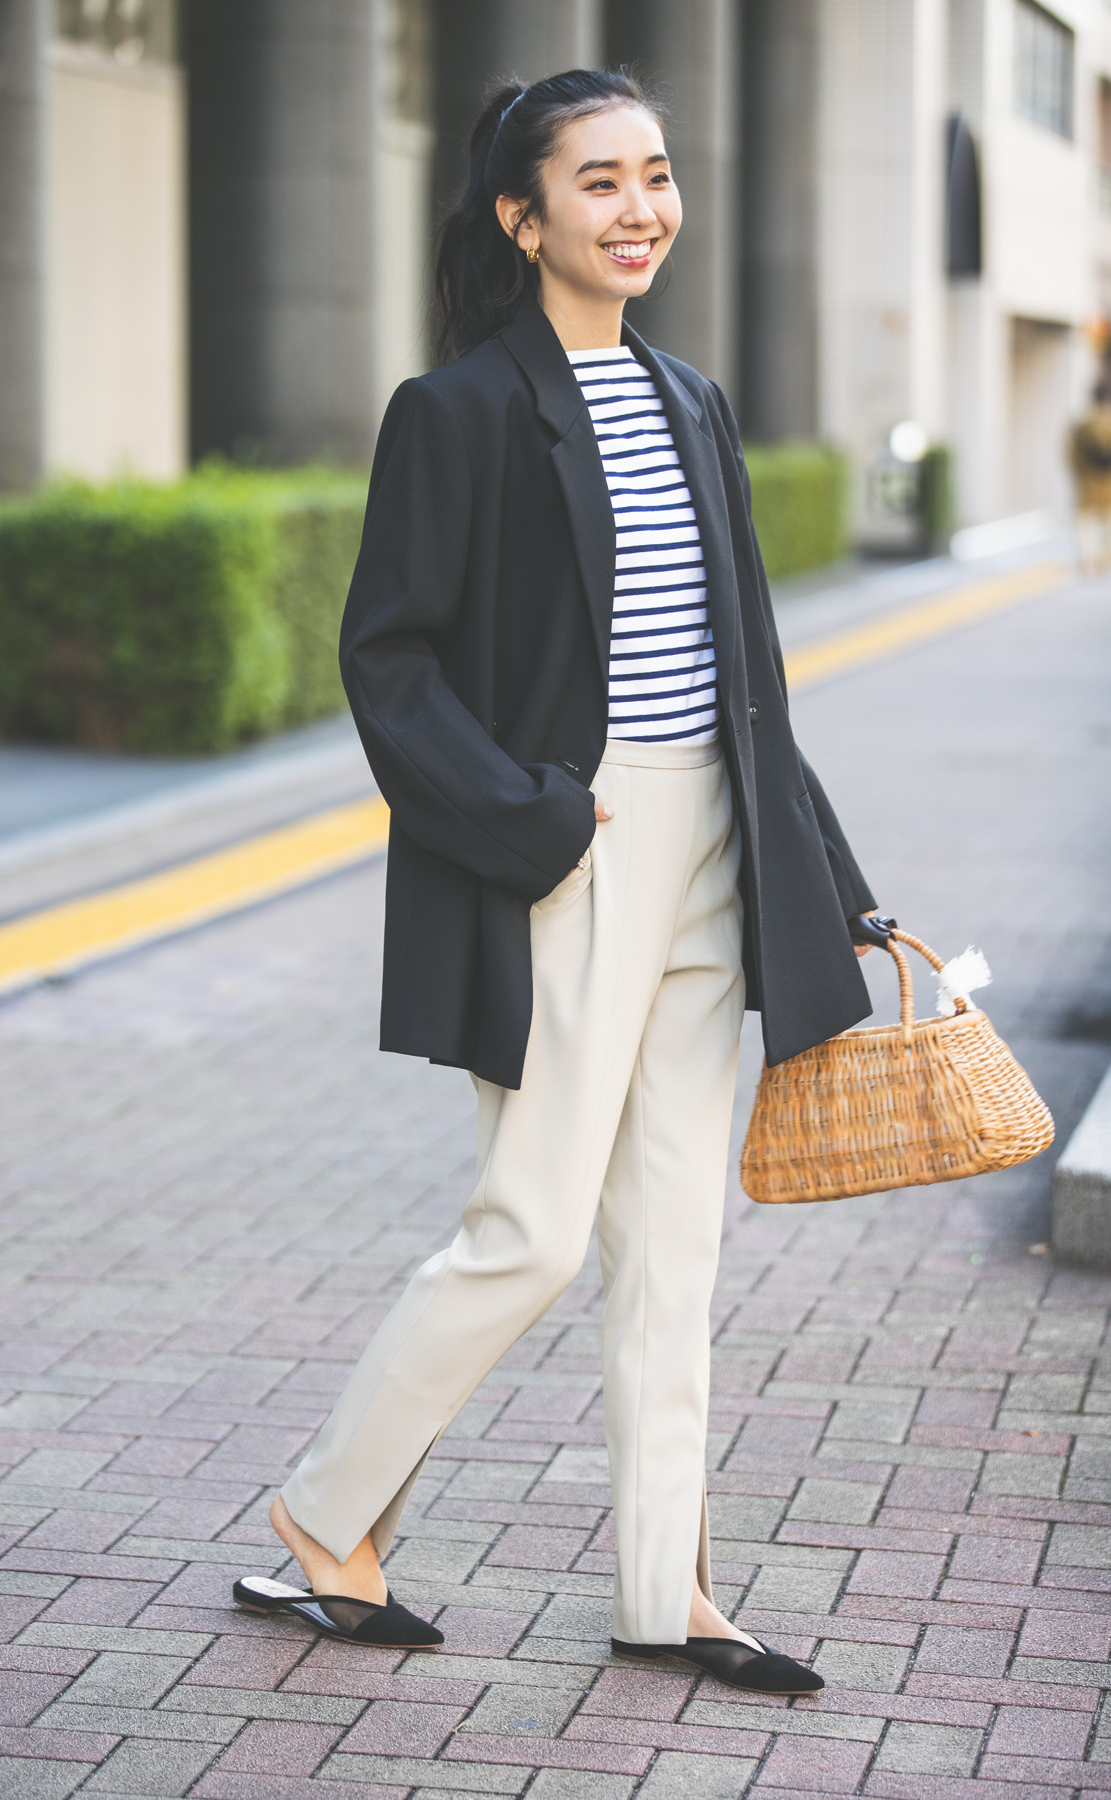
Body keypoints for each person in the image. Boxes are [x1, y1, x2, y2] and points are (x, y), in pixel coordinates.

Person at [233, 67, 882, 1694]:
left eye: (655, 174)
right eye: (600, 182)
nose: (641, 207)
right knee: (529, 1232)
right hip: (572, 849)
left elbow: (750, 674)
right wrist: (531, 816)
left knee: (674, 1245)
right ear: (522, 220)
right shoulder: (455, 412)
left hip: (716, 846)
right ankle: (325, 1512)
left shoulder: (695, 401)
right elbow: (386, 660)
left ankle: (669, 1593)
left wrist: (827, 870)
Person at [1069, 381, 1111, 574]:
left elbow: (1071, 455)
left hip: (1086, 484)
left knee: (1086, 523)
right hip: (1104, 485)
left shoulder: (1080, 426)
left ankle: (1088, 559)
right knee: (1104, 523)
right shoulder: (1102, 427)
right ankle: (1102, 559)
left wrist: (1079, 474)